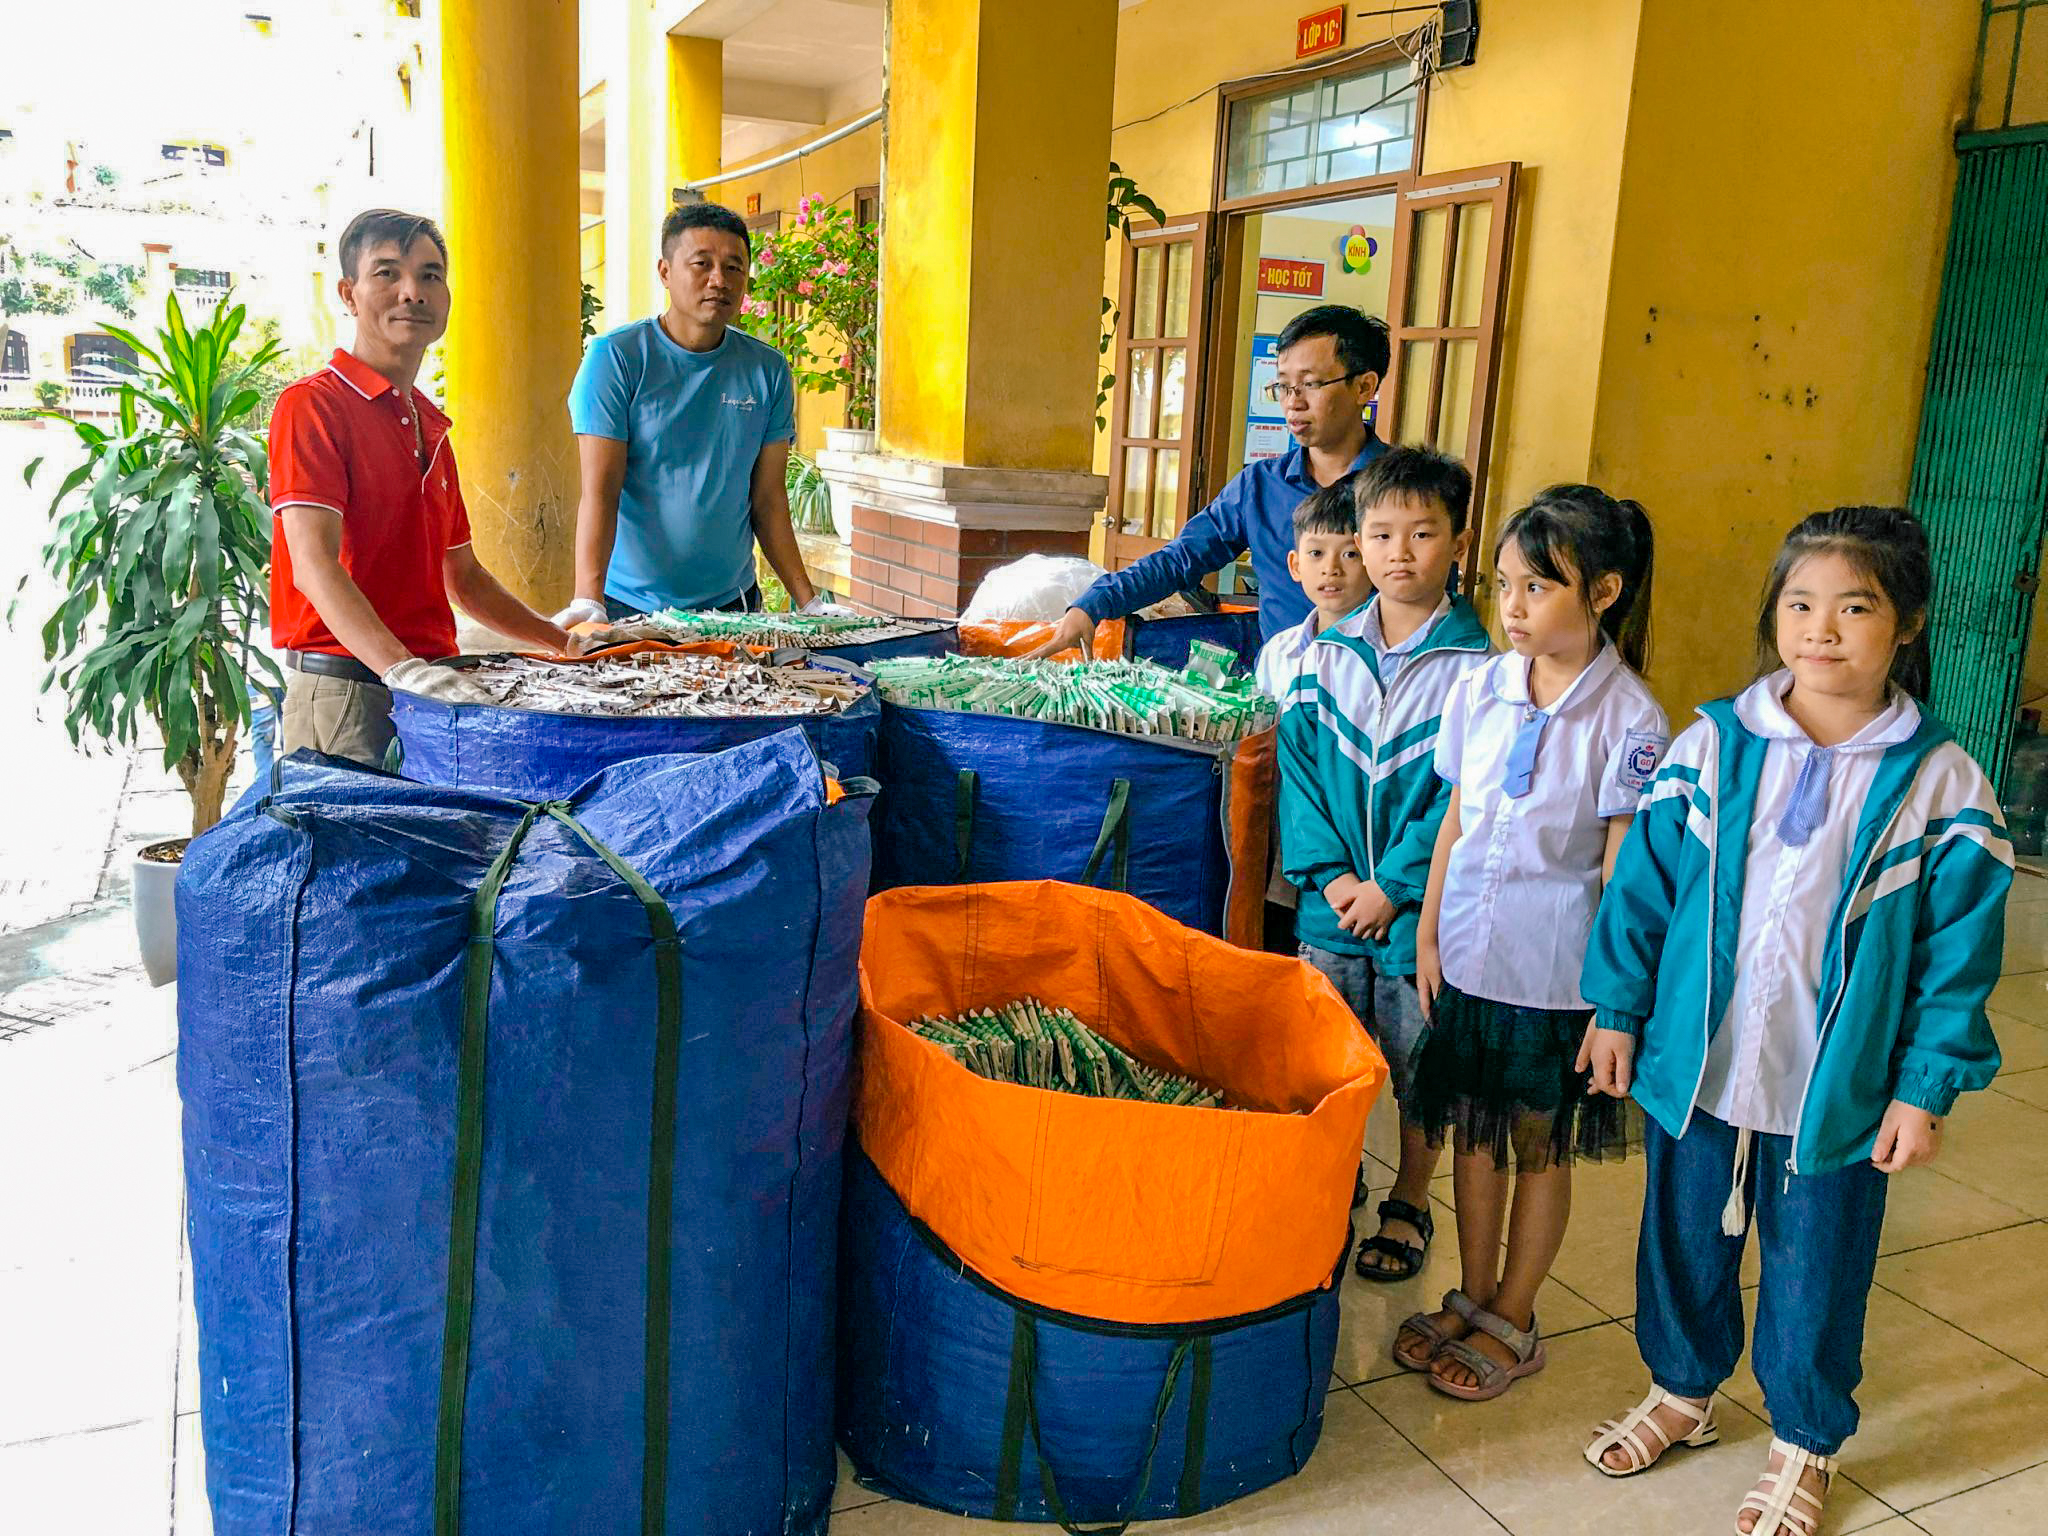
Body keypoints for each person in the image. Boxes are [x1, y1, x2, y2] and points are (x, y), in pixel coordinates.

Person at [1578, 507, 2011, 1536]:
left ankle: (1803, 1440)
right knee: (1680, 1242)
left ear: (1903, 624)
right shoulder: (1712, 746)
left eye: (1852, 607)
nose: (1820, 629)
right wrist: (1615, 1009)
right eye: (1799, 603)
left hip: (1835, 1089)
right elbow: (1641, 892)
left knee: (1815, 1267)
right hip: (1699, 1068)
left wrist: (1921, 1086)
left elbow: (1957, 958)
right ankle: (1682, 1394)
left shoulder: (1939, 781)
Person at [1393, 484, 1663, 1402]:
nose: (1511, 606)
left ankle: (1517, 1311)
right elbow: (1457, 819)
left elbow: (1623, 872)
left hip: (1557, 977)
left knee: (1538, 1145)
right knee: (1474, 1135)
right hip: (1470, 955)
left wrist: (1613, 997)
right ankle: (1471, 1293)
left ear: (1604, 592)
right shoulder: (1481, 688)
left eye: (1538, 587)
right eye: (1503, 584)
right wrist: (1429, 930)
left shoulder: (1631, 719)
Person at [1273, 448, 1491, 1287]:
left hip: (1416, 918)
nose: (1399, 552)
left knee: (1418, 1066)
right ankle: (1338, 1177)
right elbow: (1298, 771)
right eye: (1380, 533)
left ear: (1458, 542)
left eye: (1423, 532)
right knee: (1328, 1059)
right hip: (1330, 911)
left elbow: (1463, 796)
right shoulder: (1325, 656)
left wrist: (1391, 888)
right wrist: (1332, 880)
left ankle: (1410, 1194)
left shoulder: (1480, 672)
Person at [270, 208, 573, 767]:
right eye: (387, 273)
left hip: (429, 695)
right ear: (349, 292)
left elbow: (465, 578)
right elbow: (314, 565)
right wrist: (402, 670)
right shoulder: (313, 406)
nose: (413, 291)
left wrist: (562, 642)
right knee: (352, 852)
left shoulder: (429, 426)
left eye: (430, 275)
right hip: (348, 694)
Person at [1029, 305, 1391, 657]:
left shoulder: (1405, 489)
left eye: (1310, 384)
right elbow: (1181, 558)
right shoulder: (1260, 487)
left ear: (1364, 387)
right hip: (1285, 691)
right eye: (1283, 387)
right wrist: (1092, 605)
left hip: (1386, 691)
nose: (1293, 403)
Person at [560, 202, 848, 625]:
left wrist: (809, 602)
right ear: (664, 272)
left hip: (734, 606)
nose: (719, 280)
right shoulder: (617, 358)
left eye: (734, 267)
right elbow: (602, 491)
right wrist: (589, 601)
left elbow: (767, 499)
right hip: (630, 606)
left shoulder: (767, 370)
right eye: (702, 263)